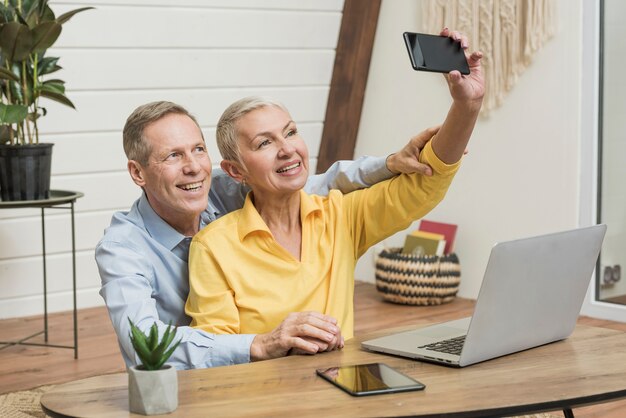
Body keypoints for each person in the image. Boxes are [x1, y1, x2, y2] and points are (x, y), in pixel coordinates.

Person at [186, 29, 484, 340]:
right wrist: (270, 341)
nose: (287, 149)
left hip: (340, 383)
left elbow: (424, 183)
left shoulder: (340, 216)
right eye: (264, 143)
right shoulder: (212, 246)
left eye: (290, 133)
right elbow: (213, 351)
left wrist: (468, 105)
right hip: (264, 388)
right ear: (235, 171)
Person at [95, 100, 434, 370]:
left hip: (260, 373)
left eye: (198, 149)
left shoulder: (223, 189)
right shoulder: (122, 247)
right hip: (178, 392)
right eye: (173, 155)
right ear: (137, 172)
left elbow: (315, 182)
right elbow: (144, 343)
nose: (194, 167)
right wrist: (258, 343)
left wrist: (390, 163)